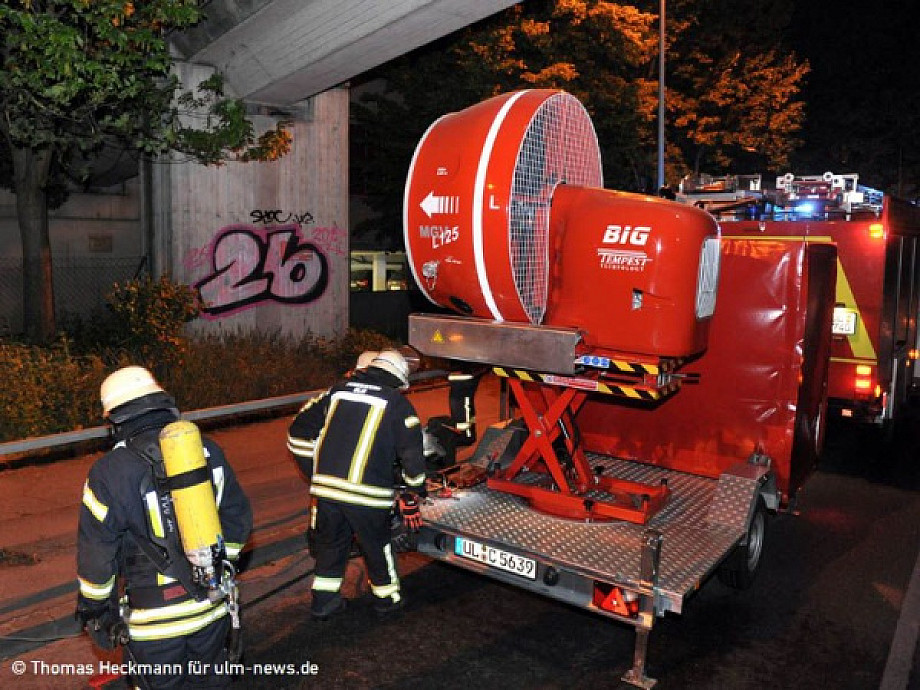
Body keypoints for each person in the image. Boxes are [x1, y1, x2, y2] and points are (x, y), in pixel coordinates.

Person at [76, 366, 252, 689]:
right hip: (211, 608)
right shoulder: (208, 451)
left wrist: (96, 610)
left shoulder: (108, 472)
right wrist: (215, 565)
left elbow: (96, 556)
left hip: (154, 627)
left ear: (114, 420)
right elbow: (238, 520)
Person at [287, 349, 427, 620]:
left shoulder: (337, 392)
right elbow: (412, 453)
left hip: (327, 492)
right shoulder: (397, 403)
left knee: (331, 547)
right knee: (377, 547)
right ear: (398, 378)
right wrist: (414, 489)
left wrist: (315, 471)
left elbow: (298, 430)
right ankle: (387, 599)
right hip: (367, 496)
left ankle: (323, 603)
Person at [423, 365, 486, 467]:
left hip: (464, 374)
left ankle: (467, 436)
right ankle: (465, 435)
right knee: (460, 404)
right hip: (462, 374)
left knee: (463, 404)